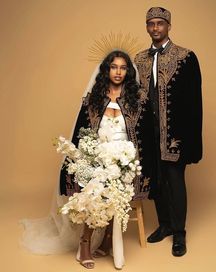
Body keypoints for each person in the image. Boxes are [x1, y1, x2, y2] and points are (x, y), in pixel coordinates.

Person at [59, 50, 158, 269]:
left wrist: (132, 161)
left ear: (128, 72)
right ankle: (85, 242)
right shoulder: (95, 96)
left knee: (114, 182)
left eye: (123, 68)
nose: (118, 72)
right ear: (107, 69)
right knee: (98, 183)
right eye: (114, 67)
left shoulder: (138, 98)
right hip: (97, 155)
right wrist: (84, 157)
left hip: (126, 158)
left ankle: (104, 240)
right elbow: (82, 131)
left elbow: (146, 136)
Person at [134, 7, 202, 257]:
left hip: (175, 134)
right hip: (148, 132)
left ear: (168, 26)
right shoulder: (139, 59)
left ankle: (179, 232)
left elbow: (195, 102)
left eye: (160, 23)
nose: (155, 28)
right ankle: (164, 224)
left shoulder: (186, 57)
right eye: (150, 23)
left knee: (175, 182)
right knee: (156, 180)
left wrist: (192, 143)